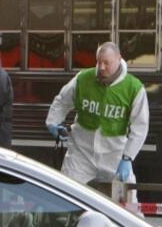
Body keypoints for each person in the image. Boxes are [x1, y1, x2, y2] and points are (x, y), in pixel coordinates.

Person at [45, 41, 149, 184]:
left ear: (119, 59)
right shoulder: (83, 79)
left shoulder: (134, 88)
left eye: (107, 63)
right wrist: (52, 123)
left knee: (126, 197)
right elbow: (62, 101)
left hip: (114, 156)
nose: (101, 67)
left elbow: (140, 126)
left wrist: (127, 157)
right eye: (99, 62)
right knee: (68, 191)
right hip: (81, 153)